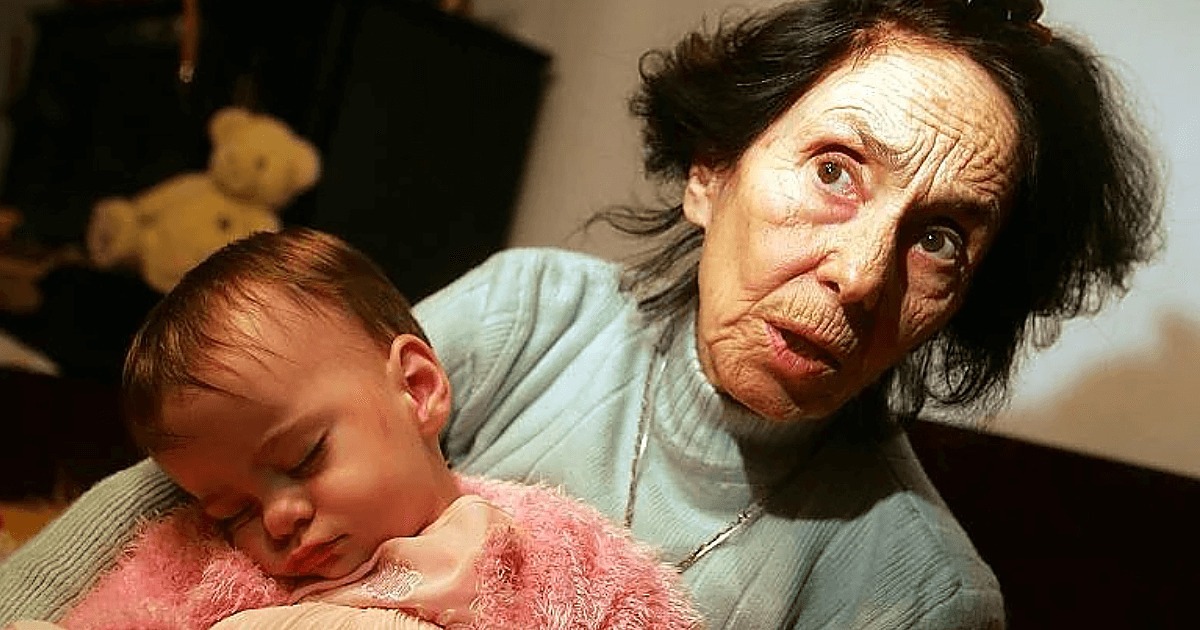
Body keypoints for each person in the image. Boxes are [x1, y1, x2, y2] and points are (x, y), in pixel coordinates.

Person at [0, 0, 1163, 628]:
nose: (862, 274)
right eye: (835, 170)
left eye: (942, 236)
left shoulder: (919, 595)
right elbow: (180, 500)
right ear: (711, 168)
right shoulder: (537, 310)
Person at [4, 227, 699, 630]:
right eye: (233, 510)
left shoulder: (542, 547)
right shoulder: (207, 564)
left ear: (417, 389)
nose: (277, 519)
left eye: (305, 458)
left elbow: (637, 610)